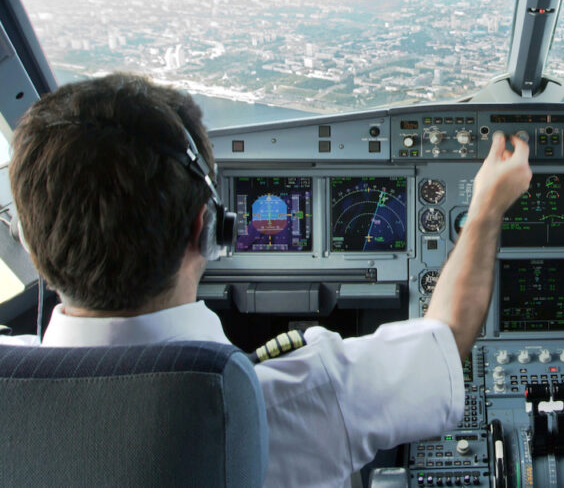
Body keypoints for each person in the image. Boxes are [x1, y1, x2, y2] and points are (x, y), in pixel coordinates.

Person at [2, 72, 533, 487]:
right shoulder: (289, 402)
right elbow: (447, 334)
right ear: (205, 229)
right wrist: (486, 209)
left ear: (28, 239)